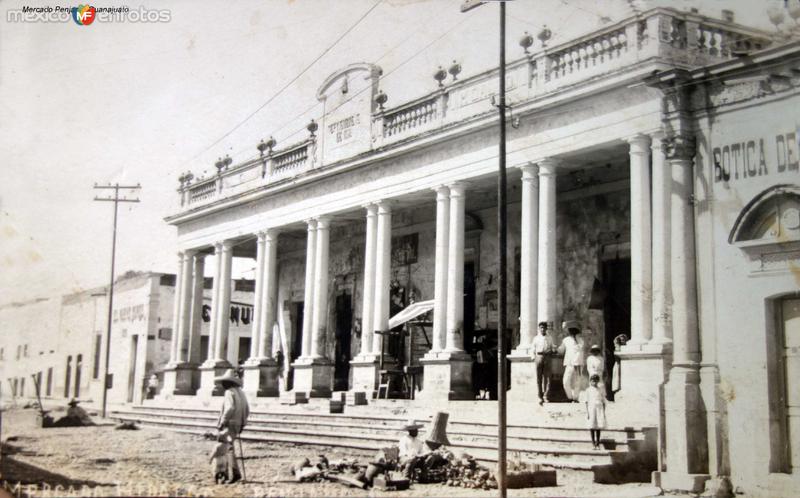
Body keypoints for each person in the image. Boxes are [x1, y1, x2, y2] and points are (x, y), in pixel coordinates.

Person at [214, 369, 250, 484]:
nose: (223, 384)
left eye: (225, 382)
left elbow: (230, 408)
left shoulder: (229, 392)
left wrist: (223, 422)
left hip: (229, 424)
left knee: (228, 448)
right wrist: (243, 422)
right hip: (238, 424)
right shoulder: (241, 392)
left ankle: (234, 473)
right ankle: (230, 473)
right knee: (229, 447)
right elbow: (247, 409)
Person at [558, 320, 586, 402]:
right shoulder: (566, 340)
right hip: (569, 363)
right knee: (566, 381)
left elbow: (580, 351)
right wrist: (555, 349)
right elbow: (561, 350)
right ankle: (570, 397)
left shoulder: (581, 340)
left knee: (577, 381)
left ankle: (575, 398)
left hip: (578, 364)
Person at [532, 321, 554, 405]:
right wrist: (534, 358)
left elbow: (552, 346)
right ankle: (539, 396)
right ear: (539, 329)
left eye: (544, 328)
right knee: (539, 378)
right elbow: (532, 348)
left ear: (546, 329)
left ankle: (546, 395)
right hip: (539, 356)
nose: (542, 329)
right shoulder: (536, 338)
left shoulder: (550, 338)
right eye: (541, 328)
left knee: (548, 377)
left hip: (547, 357)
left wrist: (554, 350)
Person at [585, 374, 607, 449]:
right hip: (591, 408)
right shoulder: (588, 390)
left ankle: (598, 443)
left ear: (598, 381)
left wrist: (603, 412)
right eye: (592, 381)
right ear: (590, 381)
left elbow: (603, 401)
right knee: (592, 426)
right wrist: (587, 412)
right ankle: (593, 443)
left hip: (599, 409)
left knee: (598, 426)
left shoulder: (600, 390)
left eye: (596, 381)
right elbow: (586, 402)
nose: (594, 383)